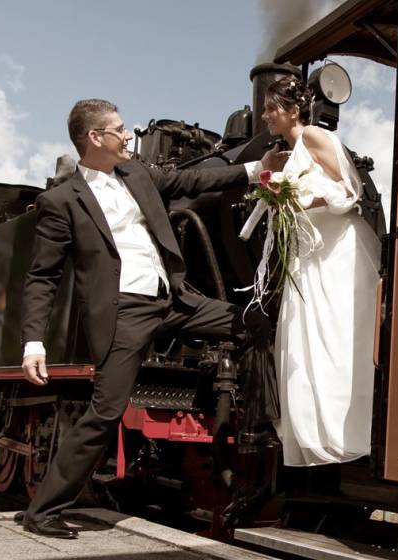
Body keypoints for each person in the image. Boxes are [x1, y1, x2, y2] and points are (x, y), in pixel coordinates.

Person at [19, 98, 286, 539]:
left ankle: (260, 426)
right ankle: (43, 511)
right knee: (105, 412)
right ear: (95, 138)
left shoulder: (139, 172)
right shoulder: (60, 202)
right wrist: (34, 342)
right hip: (123, 312)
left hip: (173, 299)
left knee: (253, 324)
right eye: (120, 129)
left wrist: (258, 165)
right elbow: (41, 277)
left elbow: (193, 178)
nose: (128, 135)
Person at [259, 78, 381, 466]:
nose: (265, 116)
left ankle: (353, 431)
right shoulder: (287, 151)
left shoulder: (313, 135)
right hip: (309, 256)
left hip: (335, 254)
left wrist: (296, 198)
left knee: (338, 341)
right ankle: (320, 434)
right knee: (307, 346)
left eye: (271, 109)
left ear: (293, 110)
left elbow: (348, 192)